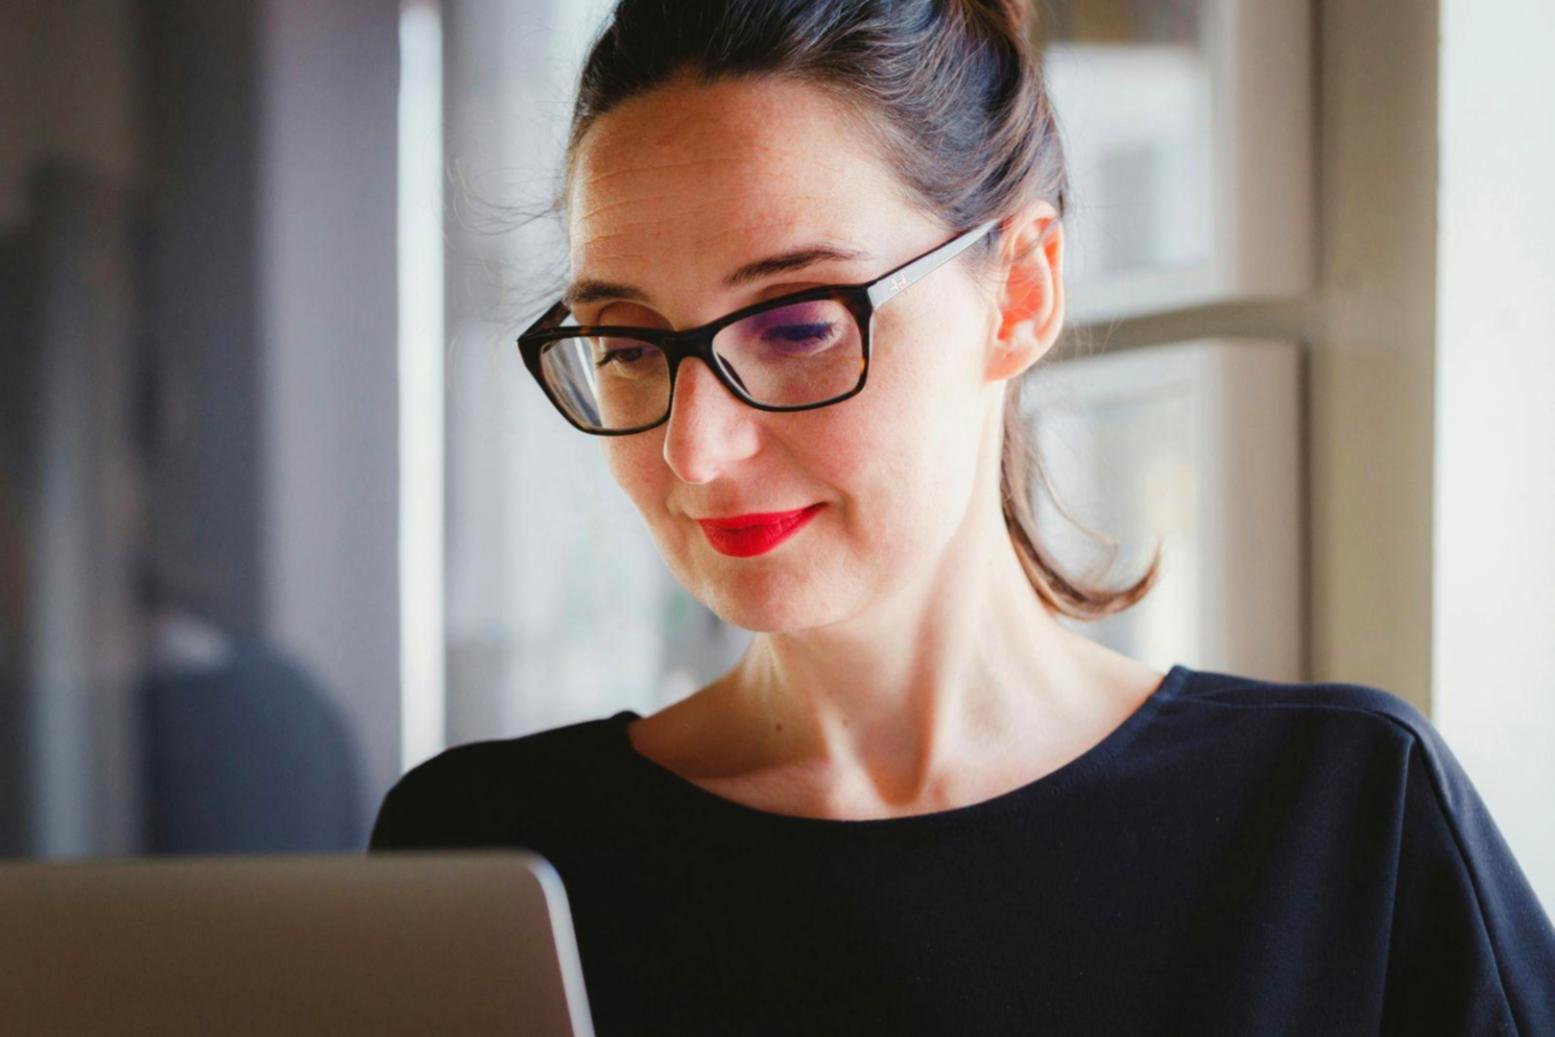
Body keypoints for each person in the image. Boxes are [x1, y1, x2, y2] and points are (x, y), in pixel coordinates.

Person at [369, 1, 1555, 1033]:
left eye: (797, 324)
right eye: (629, 346)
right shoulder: (493, 856)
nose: (694, 449)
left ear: (1020, 290)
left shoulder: (1345, 821)